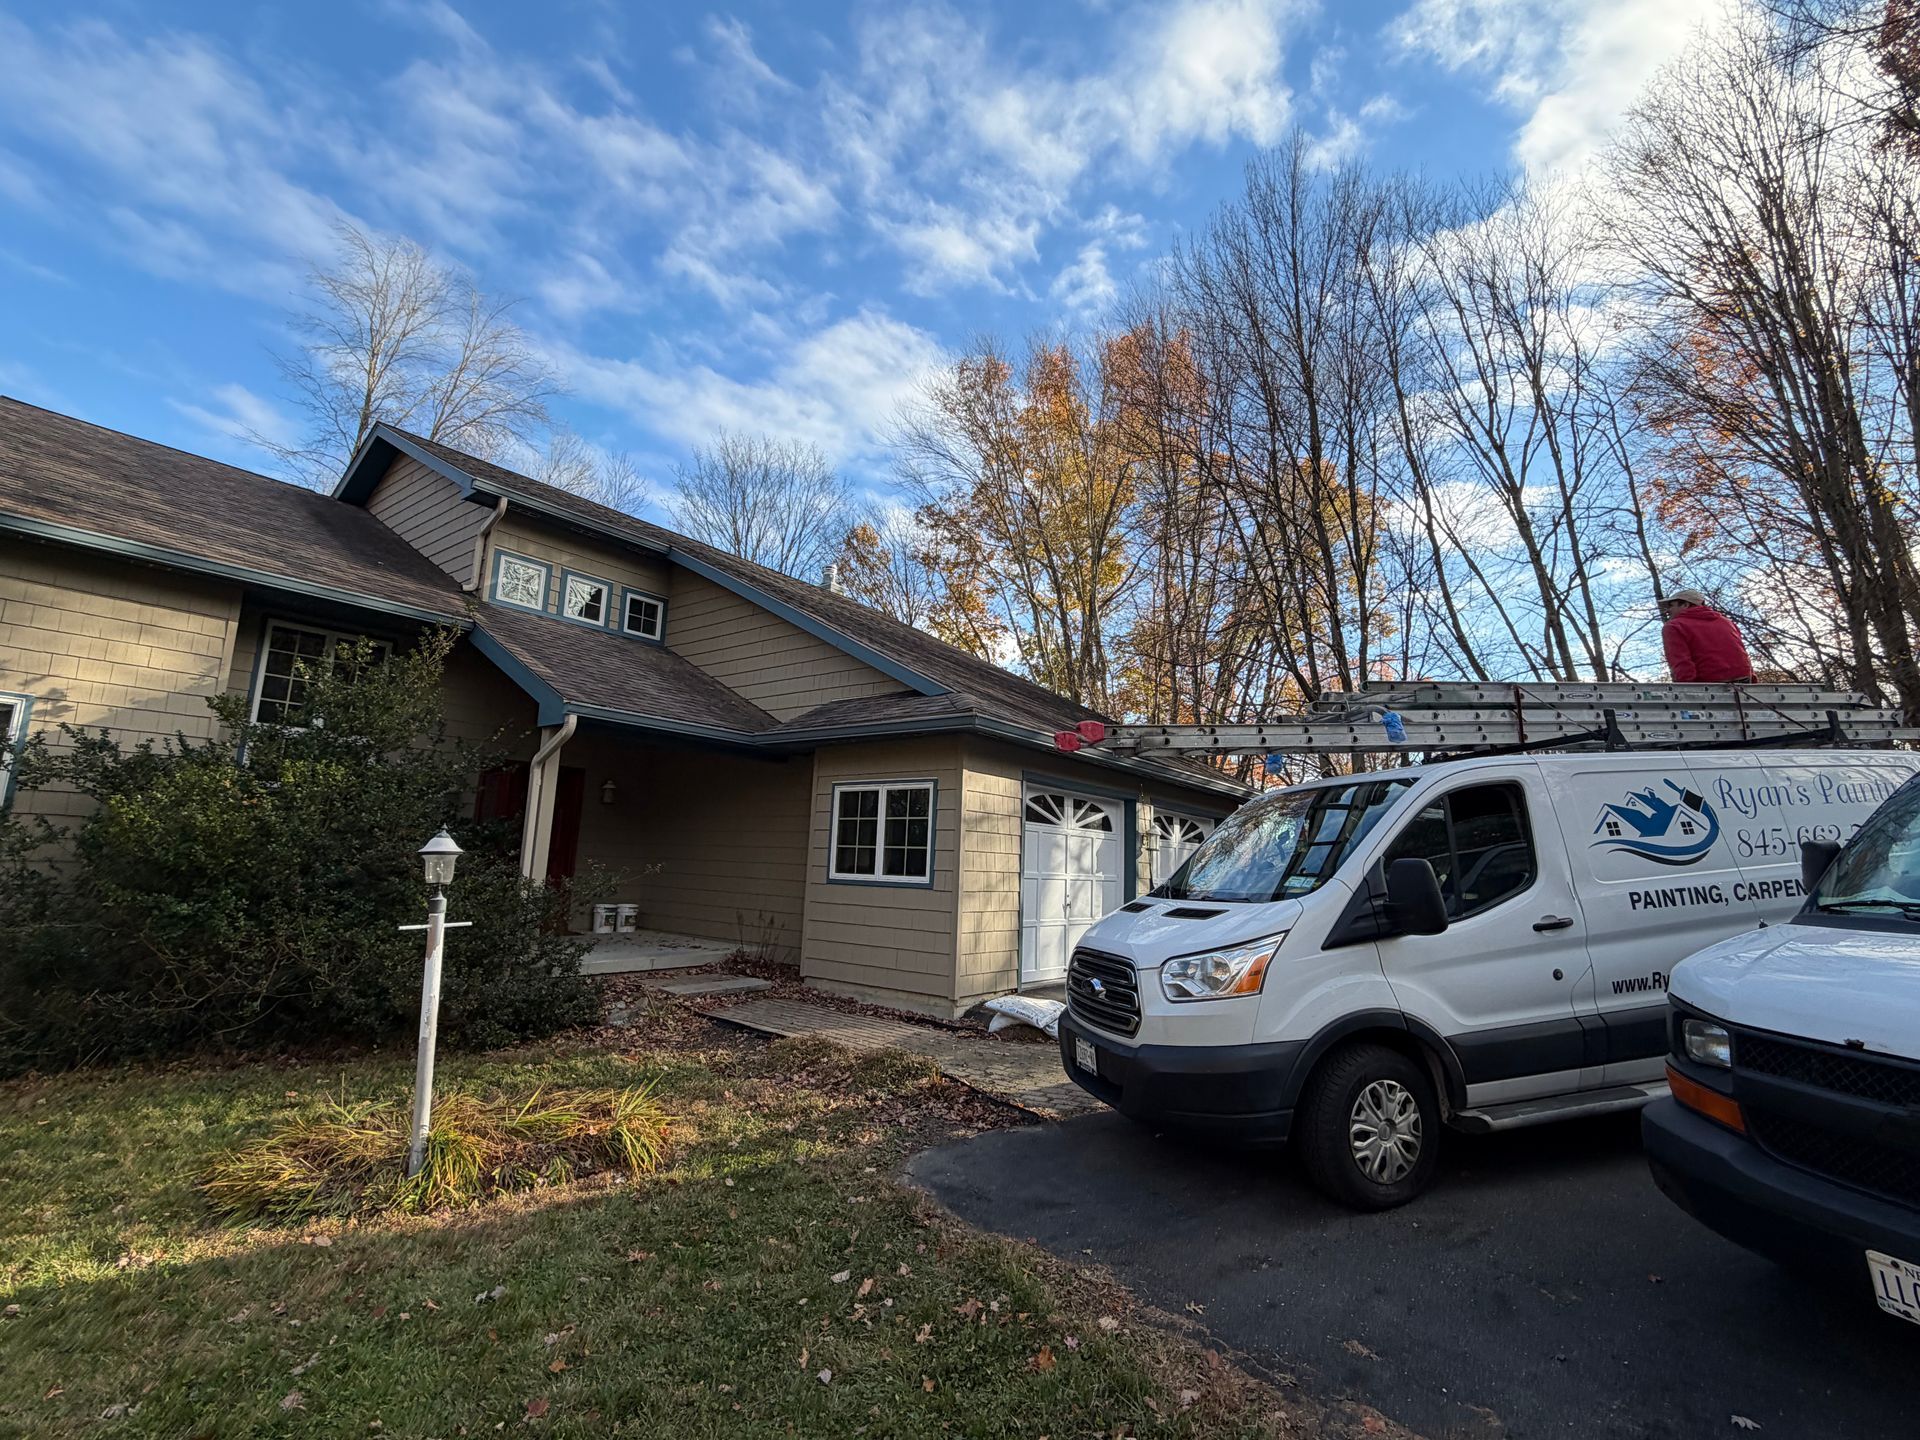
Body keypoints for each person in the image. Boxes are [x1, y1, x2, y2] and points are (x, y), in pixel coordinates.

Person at [1659, 587, 1755, 683]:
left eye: (1671, 606)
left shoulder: (1674, 626)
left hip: (1709, 686)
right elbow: (1741, 652)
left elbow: (1681, 662)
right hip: (1744, 680)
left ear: (1685, 604)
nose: (1668, 610)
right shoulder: (1727, 622)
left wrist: (1686, 689)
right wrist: (1753, 681)